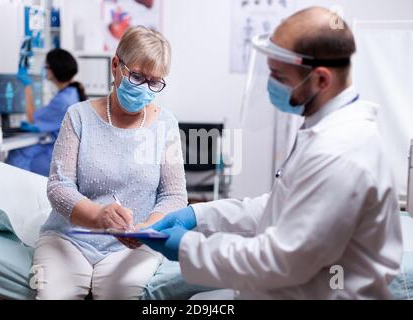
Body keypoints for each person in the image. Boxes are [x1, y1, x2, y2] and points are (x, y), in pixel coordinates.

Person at [138, 7, 403, 299]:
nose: (270, 85)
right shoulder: (321, 129)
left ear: (321, 80)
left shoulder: (339, 151)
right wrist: (197, 214)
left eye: (278, 75)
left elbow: (281, 259)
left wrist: (189, 247)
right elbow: (279, 207)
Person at [32, 26, 188, 300]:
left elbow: (174, 195)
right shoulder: (78, 116)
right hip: (69, 238)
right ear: (116, 65)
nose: (143, 88)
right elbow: (58, 186)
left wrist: (148, 228)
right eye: (137, 76)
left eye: (154, 82)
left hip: (133, 245)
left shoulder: (166, 124)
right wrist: (98, 216)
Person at [6, 49, 87, 176]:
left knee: (18, 155)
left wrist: (26, 86)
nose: (44, 70)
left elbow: (32, 118)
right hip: (63, 152)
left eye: (46, 66)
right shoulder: (70, 93)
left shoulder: (63, 100)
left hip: (57, 157)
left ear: (55, 70)